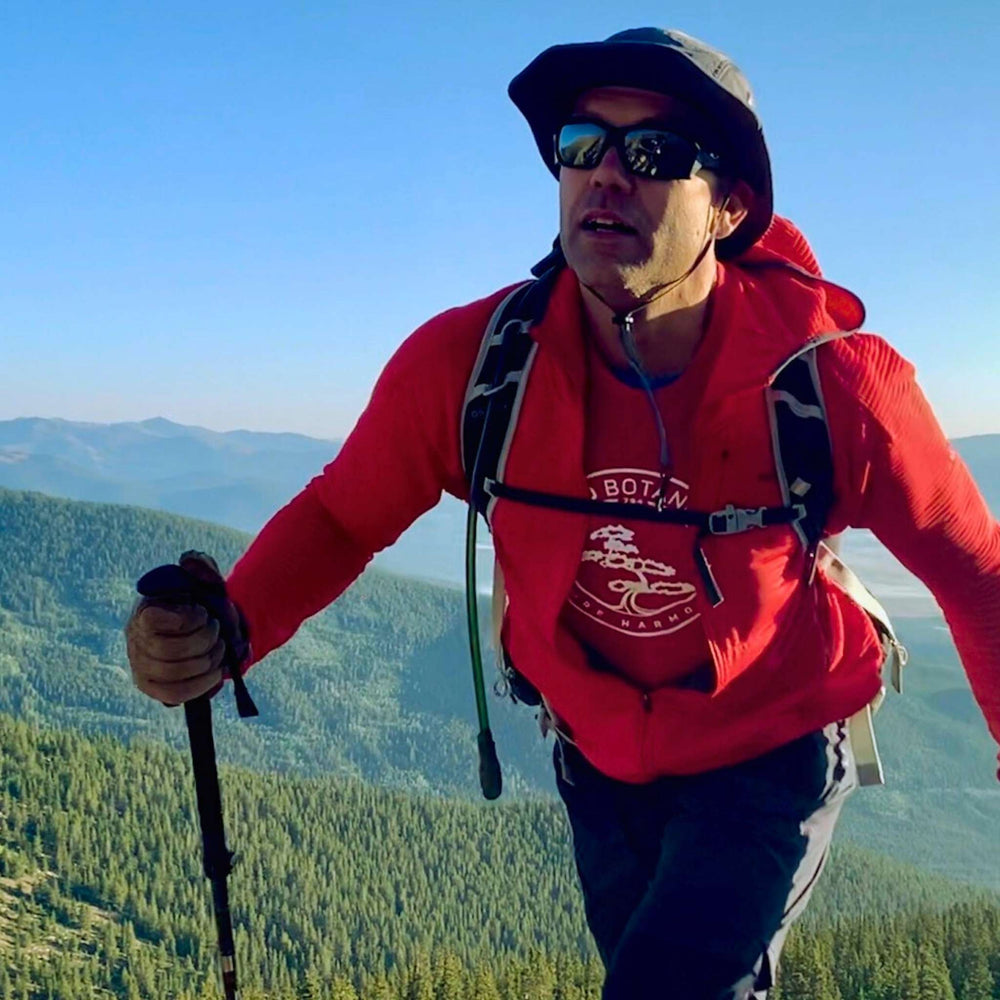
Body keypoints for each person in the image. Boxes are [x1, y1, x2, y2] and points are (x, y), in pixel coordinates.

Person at [125, 28, 1000, 1000]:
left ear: (730, 207)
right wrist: (225, 630)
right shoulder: (474, 368)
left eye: (655, 154)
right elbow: (342, 517)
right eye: (582, 144)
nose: (606, 176)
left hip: (768, 751)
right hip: (595, 756)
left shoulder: (831, 385)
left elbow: (978, 571)